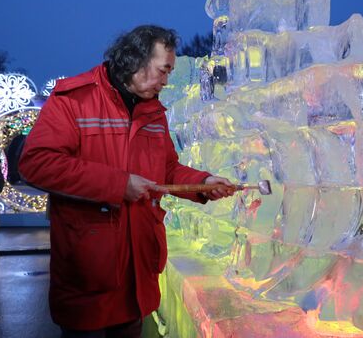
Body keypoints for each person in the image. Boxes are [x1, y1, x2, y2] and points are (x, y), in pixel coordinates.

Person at [18, 25, 234, 337]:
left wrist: (204, 182)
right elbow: (36, 162)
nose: (166, 81)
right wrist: (118, 185)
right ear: (134, 60)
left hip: (138, 275)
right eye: (163, 71)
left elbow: (167, 169)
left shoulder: (154, 111)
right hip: (90, 272)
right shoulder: (74, 99)